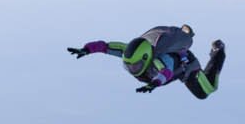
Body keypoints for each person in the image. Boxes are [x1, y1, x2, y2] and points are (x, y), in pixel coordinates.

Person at [68, 27, 225, 99]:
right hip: (170, 63)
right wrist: (86, 50)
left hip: (187, 66)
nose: (131, 69)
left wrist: (154, 84)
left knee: (206, 91)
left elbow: (166, 72)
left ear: (146, 59)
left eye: (135, 66)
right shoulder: (130, 53)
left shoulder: (161, 61)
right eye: (128, 65)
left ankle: (218, 52)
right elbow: (105, 46)